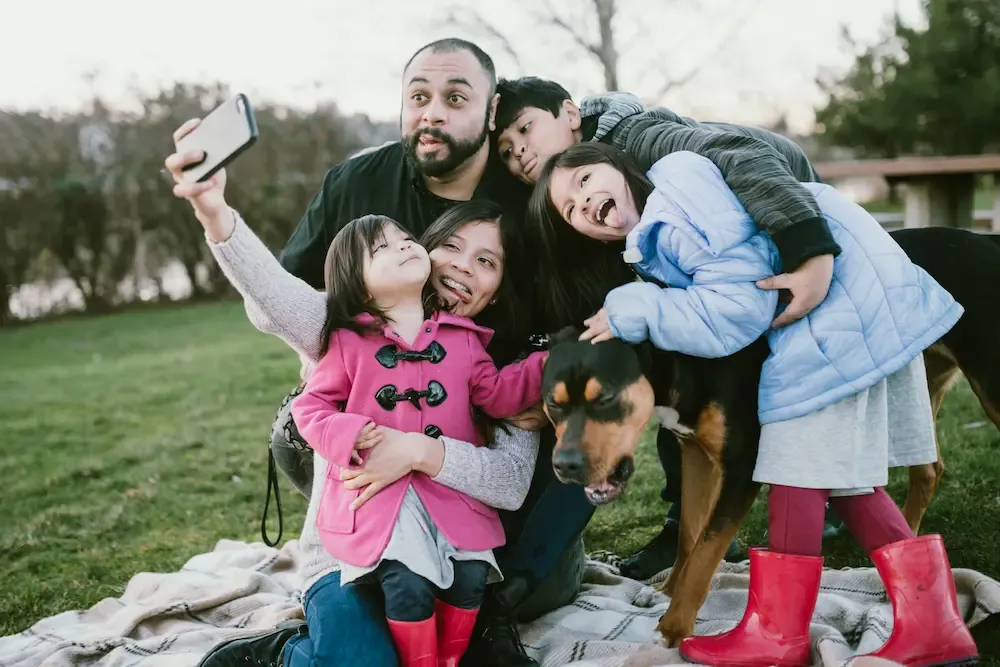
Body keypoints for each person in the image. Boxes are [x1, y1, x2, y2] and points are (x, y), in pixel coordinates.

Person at [531, 142, 977, 666]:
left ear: (621, 164)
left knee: (796, 473)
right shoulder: (653, 238)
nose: (582, 202)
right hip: (837, 321)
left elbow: (740, 305)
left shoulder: (677, 206)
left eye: (583, 180)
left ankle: (778, 636)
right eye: (569, 209)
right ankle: (934, 624)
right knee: (845, 485)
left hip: (832, 320)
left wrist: (642, 304)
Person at [163, 170, 544, 665]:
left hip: (444, 545)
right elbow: (272, 296)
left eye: (486, 261)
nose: (463, 267)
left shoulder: (484, 352)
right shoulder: (343, 328)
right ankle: (287, 652)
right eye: (451, 246)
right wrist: (215, 214)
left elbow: (510, 483)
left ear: (498, 289)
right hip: (344, 552)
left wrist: (417, 452)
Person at [492, 75, 847, 578]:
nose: (520, 153)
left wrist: (807, 246)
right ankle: (690, 520)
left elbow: (740, 154)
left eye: (525, 130)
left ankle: (818, 497)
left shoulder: (639, 138)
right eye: (506, 152)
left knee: (776, 386)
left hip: (783, 204)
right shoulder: (579, 204)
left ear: (570, 114)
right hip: (717, 268)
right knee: (673, 368)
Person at [291, 213, 547, 667]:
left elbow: (495, 393)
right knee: (405, 587)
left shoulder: (466, 341)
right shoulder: (348, 341)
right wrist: (347, 434)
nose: (403, 247)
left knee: (470, 578)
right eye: (382, 249)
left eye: (405, 238)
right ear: (360, 284)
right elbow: (310, 407)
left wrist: (547, 363)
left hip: (446, 500)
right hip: (379, 506)